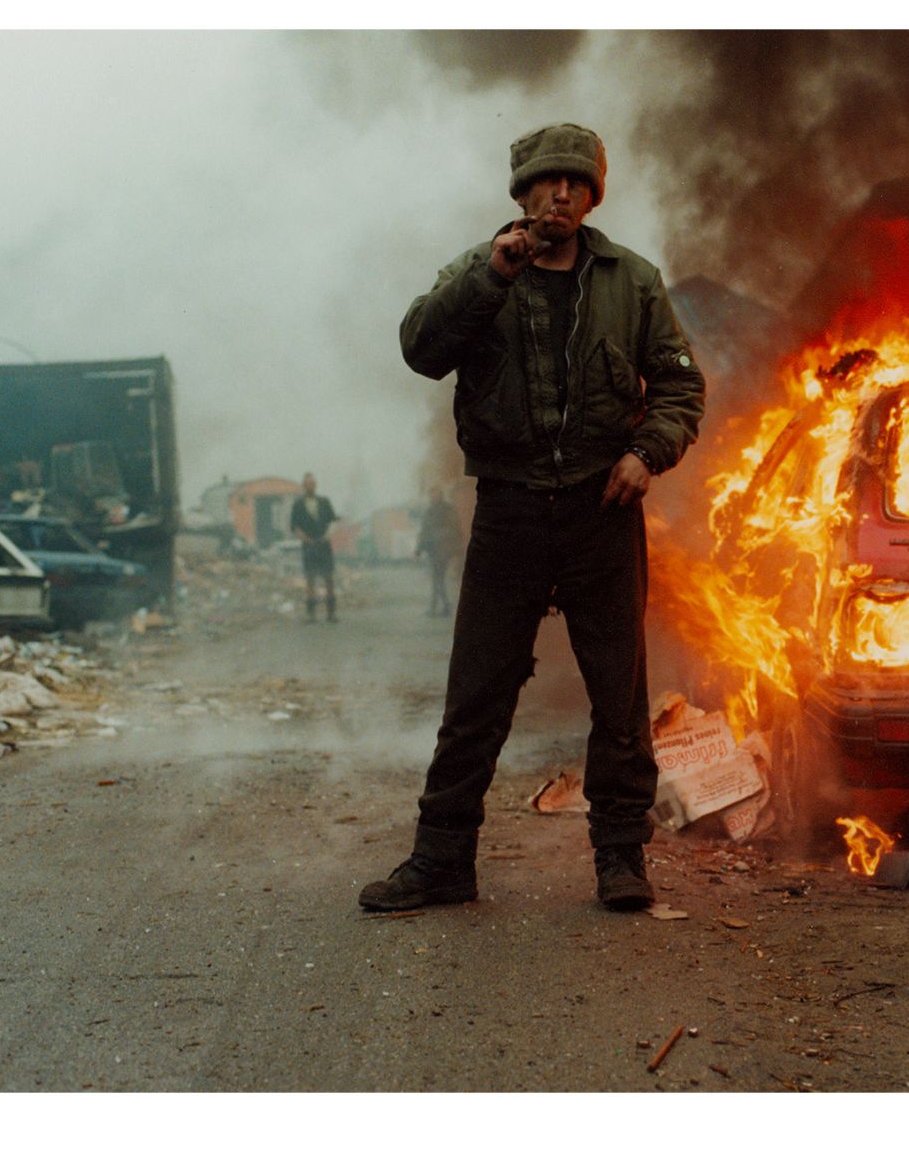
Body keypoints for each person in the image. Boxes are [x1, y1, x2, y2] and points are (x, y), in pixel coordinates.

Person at [360, 123, 706, 913]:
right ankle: (443, 860)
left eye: (577, 184)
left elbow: (681, 387)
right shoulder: (481, 271)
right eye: (548, 182)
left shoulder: (633, 282)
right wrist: (489, 278)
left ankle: (621, 860)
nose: (562, 194)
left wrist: (647, 452)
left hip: (601, 510)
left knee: (619, 696)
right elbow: (421, 346)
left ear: (591, 196)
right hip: (509, 510)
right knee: (476, 695)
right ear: (520, 195)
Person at [289, 473, 338, 623]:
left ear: (315, 485)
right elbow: (294, 526)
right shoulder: (298, 504)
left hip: (324, 544)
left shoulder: (324, 502)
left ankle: (331, 613)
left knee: (328, 578)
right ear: (304, 486)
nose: (310, 486)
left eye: (313, 483)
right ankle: (311, 614)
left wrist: (327, 535)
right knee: (310, 579)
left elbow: (333, 521)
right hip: (308, 545)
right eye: (308, 484)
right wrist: (304, 538)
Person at [413, 486, 463, 617]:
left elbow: (455, 530)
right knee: (437, 580)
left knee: (437, 579)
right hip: (434, 551)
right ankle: (441, 607)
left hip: (444, 551)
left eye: (435, 494)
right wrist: (418, 549)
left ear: (440, 495)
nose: (433, 496)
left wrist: (455, 548)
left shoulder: (447, 510)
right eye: (431, 494)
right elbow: (424, 532)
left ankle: (438, 607)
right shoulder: (429, 511)